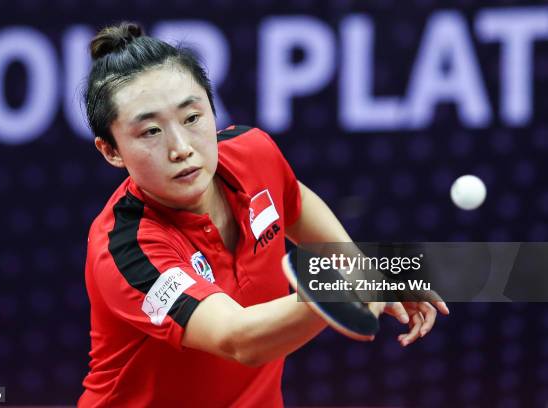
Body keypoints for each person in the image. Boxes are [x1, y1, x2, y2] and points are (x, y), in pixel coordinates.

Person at [78, 22, 449, 407]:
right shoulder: (126, 248)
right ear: (111, 151)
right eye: (151, 132)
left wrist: (357, 268)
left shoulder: (252, 154)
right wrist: (341, 286)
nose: (181, 148)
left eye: (192, 118)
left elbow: (293, 202)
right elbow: (239, 339)